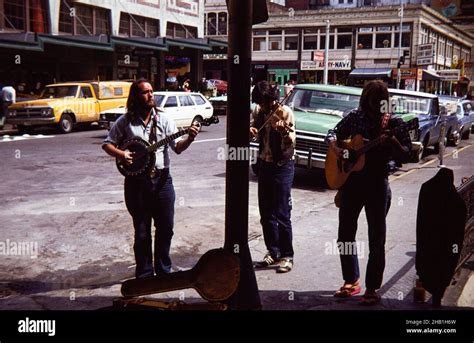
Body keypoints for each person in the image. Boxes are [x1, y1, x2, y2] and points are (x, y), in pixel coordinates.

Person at [102, 79, 199, 278]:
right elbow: (107, 144)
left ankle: (163, 272)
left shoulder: (164, 120)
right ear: (136, 96)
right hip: (137, 184)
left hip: (162, 181)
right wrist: (122, 155)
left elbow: (177, 148)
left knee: (166, 228)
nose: (150, 95)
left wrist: (189, 137)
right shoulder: (125, 121)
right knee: (142, 231)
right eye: (145, 92)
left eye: (152, 92)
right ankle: (145, 274)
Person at [325, 80, 412, 305]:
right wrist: (336, 149)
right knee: (345, 233)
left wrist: (392, 141)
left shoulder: (394, 122)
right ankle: (351, 280)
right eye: (368, 102)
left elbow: (407, 155)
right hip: (352, 183)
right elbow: (332, 132)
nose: (371, 107)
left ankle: (372, 287)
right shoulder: (356, 116)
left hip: (377, 184)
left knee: (376, 237)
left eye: (375, 103)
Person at [250, 80, 296, 273]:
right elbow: (253, 128)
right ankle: (273, 251)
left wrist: (282, 131)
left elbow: (291, 141)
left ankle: (287, 255)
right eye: (260, 102)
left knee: (282, 212)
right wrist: (251, 130)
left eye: (265, 102)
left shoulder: (285, 113)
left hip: (282, 165)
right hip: (265, 164)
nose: (263, 106)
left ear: (272, 99)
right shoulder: (259, 112)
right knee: (266, 213)